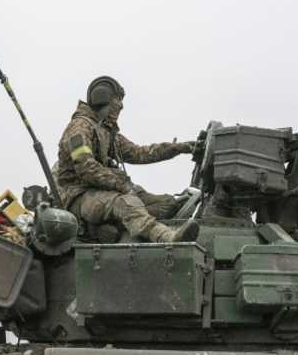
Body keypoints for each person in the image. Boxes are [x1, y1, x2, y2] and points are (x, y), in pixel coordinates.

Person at [54, 76, 200, 243]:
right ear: (102, 98)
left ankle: (119, 224)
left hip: (104, 190)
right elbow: (86, 168)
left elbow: (139, 153)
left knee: (167, 204)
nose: (121, 106)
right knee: (125, 202)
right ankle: (167, 237)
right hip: (79, 196)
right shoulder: (79, 128)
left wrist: (179, 148)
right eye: (117, 100)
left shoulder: (106, 132)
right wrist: (122, 184)